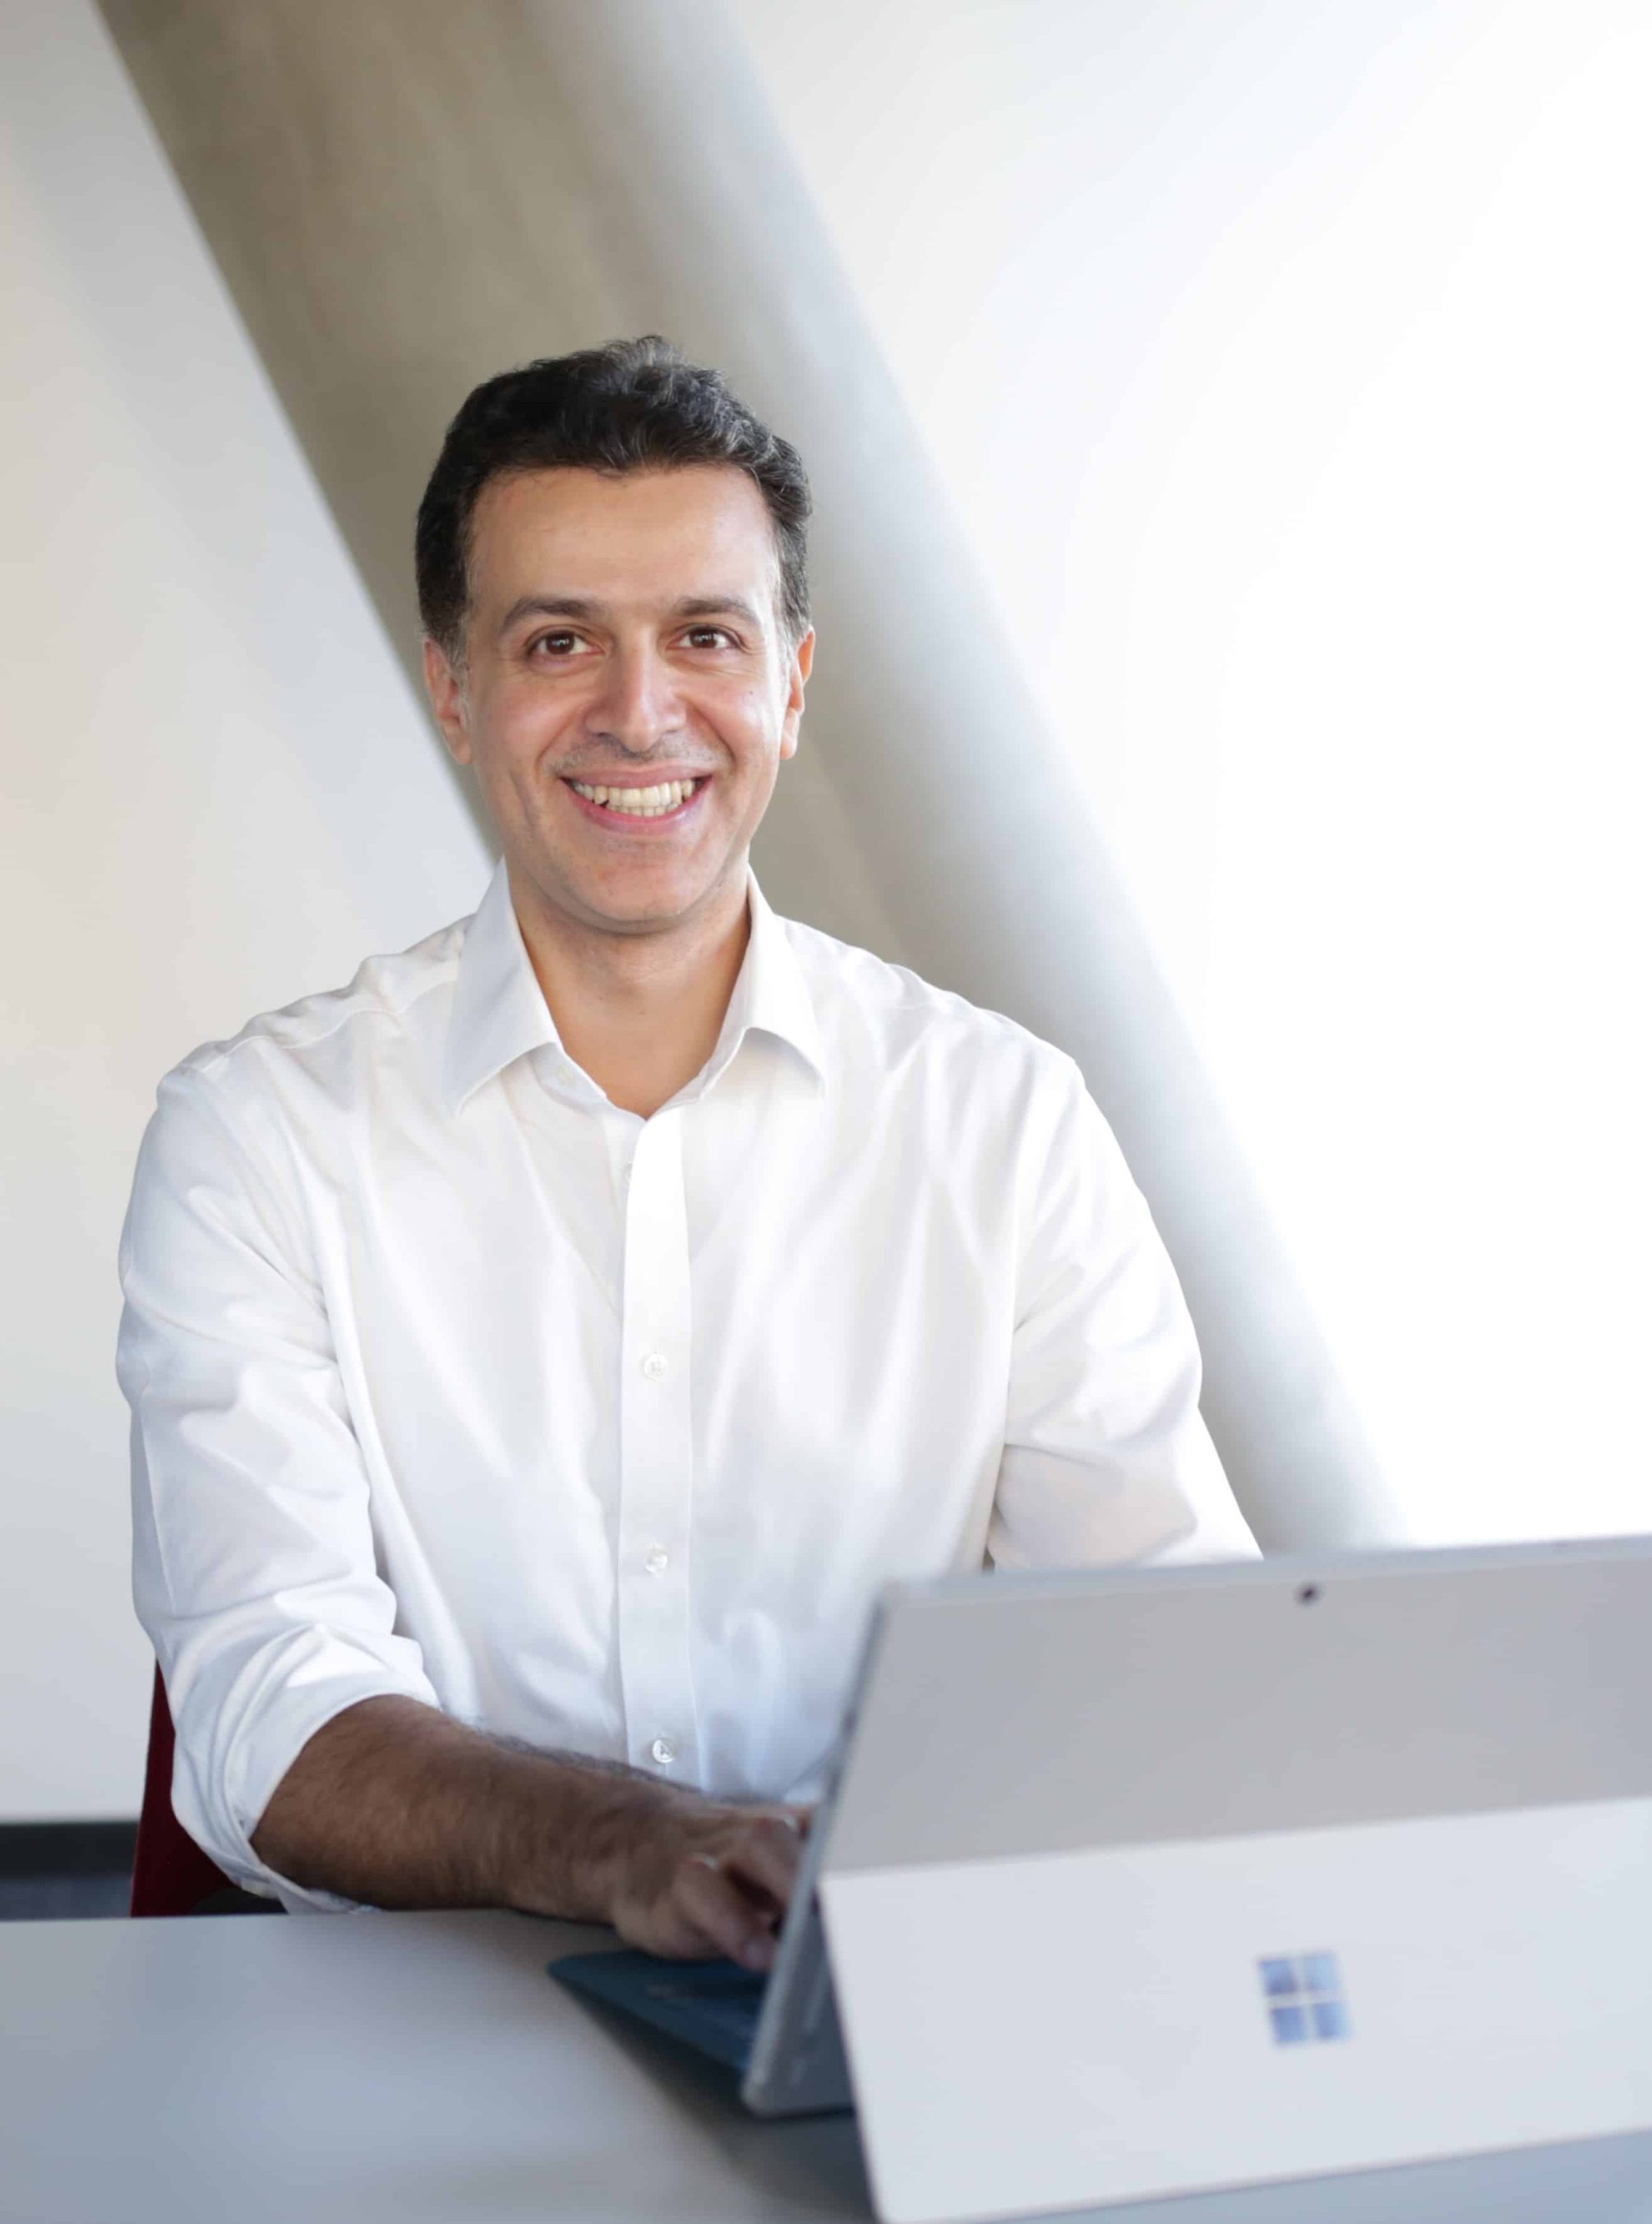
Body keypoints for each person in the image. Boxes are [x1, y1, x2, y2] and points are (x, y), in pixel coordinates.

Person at [118, 335, 1257, 1961]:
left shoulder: (1002, 1125)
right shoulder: (257, 1141)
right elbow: (267, 1712)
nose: (639, 714)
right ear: (456, 688)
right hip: (410, 2033)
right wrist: (629, 1849)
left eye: (705, 637)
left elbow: (1160, 1646)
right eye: (558, 639)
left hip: (877, 2015)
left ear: (790, 686)